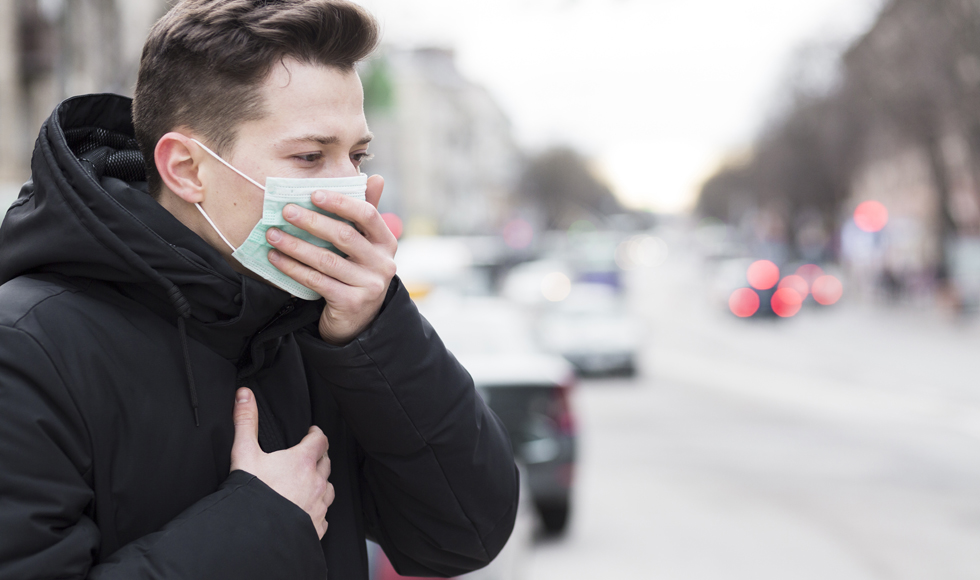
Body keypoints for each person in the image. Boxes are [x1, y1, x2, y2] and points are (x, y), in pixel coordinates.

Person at [0, 1, 519, 579]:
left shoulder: (316, 324)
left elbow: (464, 535)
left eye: (357, 155)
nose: (350, 187)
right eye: (309, 156)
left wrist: (376, 330)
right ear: (187, 169)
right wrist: (261, 523)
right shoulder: (24, 348)